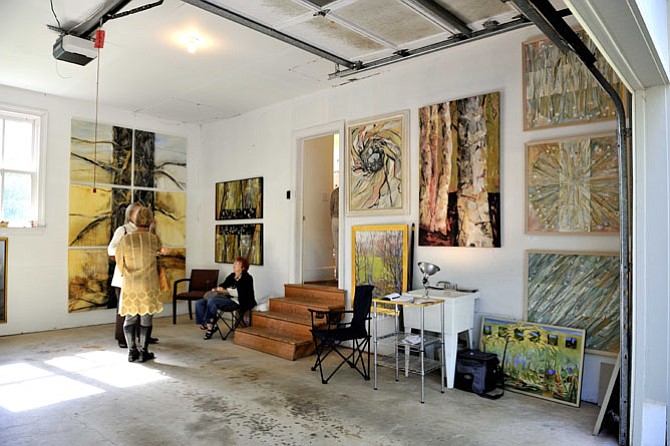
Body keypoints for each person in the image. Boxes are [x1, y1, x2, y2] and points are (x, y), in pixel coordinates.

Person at [116, 206, 163, 362]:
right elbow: (158, 250)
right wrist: (153, 230)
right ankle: (144, 352)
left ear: (134, 220)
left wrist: (125, 274)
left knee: (129, 318)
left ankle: (131, 352)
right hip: (148, 284)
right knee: (146, 319)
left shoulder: (126, 239)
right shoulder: (153, 239)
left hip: (130, 284)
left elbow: (119, 261)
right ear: (150, 220)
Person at [195, 256, 256, 340]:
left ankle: (209, 326)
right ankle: (211, 325)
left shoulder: (247, 278)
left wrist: (225, 291)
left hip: (237, 301)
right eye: (234, 263)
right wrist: (217, 289)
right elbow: (223, 285)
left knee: (212, 300)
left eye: (237, 264)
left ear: (243, 267)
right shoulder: (232, 276)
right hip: (226, 299)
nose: (234, 265)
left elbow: (240, 293)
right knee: (199, 302)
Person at [108, 202, 140, 348]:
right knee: (124, 309)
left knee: (141, 307)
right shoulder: (123, 230)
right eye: (137, 212)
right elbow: (111, 249)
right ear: (130, 214)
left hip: (140, 276)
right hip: (123, 277)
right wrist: (126, 252)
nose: (139, 215)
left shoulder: (145, 231)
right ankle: (122, 338)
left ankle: (141, 335)